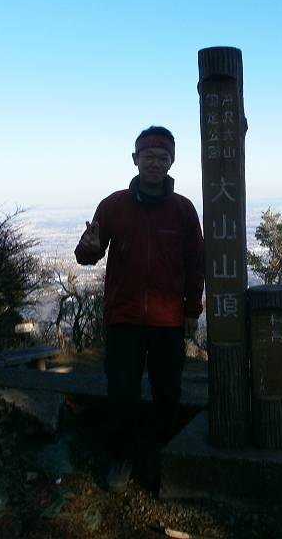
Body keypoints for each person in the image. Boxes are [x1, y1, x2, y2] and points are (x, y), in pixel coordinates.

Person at [74, 126, 204, 493]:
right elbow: (87, 256)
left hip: (169, 319)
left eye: (163, 157)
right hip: (124, 317)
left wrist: (192, 310)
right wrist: (88, 247)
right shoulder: (113, 205)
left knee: (168, 392)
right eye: (149, 156)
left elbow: (196, 263)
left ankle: (162, 455)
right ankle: (122, 455)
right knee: (122, 390)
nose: (156, 163)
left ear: (172, 162)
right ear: (135, 159)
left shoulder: (183, 210)